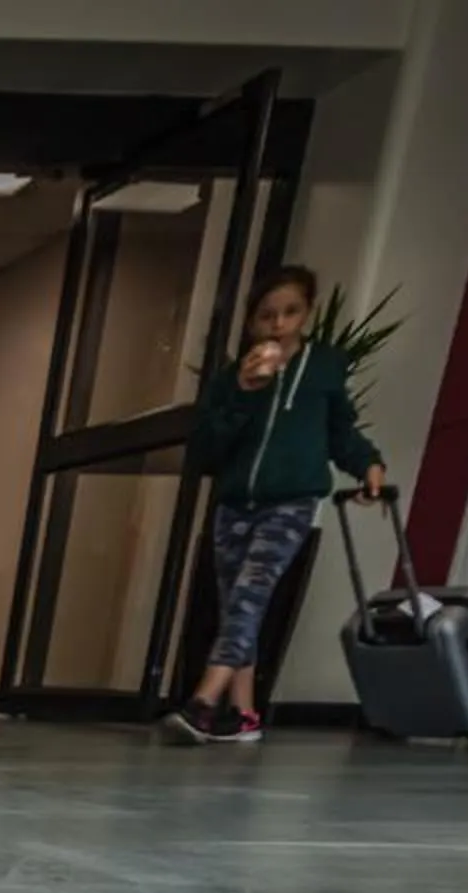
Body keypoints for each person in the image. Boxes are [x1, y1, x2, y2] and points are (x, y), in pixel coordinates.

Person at [169, 266, 387, 745]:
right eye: (267, 315)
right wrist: (246, 394)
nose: (278, 324)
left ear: (306, 314)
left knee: (251, 595)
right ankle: (244, 713)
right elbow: (206, 447)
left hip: (290, 502)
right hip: (236, 502)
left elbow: (340, 431)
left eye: (290, 313)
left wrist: (368, 464)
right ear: (252, 323)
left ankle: (203, 699)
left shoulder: (324, 369)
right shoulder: (232, 378)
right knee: (237, 607)